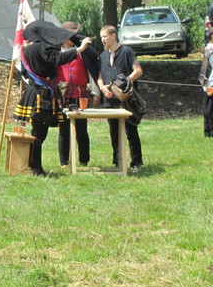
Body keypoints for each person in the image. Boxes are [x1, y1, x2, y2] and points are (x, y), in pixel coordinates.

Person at [13, 20, 94, 176]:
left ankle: (33, 165)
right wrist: (80, 49)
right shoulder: (44, 47)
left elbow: (24, 73)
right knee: (39, 133)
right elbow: (58, 59)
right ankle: (35, 167)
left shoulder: (26, 50)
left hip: (32, 91)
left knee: (37, 131)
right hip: (42, 95)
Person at [98, 25, 144, 173]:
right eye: (101, 37)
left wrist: (124, 83)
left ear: (113, 36)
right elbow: (99, 77)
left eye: (105, 36)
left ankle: (136, 163)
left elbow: (138, 71)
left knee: (131, 131)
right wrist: (102, 87)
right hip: (110, 100)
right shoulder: (103, 56)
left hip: (126, 100)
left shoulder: (127, 52)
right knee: (114, 133)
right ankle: (118, 162)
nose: (103, 39)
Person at [56, 21, 100, 167]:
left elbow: (92, 72)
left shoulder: (84, 51)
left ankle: (83, 161)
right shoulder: (56, 51)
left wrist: (95, 92)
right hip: (62, 96)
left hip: (80, 95)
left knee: (81, 130)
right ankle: (64, 162)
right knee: (64, 130)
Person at [202, 29, 213, 137]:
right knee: (209, 109)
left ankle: (208, 131)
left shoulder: (207, 49)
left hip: (207, 82)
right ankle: (210, 131)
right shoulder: (210, 49)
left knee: (207, 109)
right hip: (210, 82)